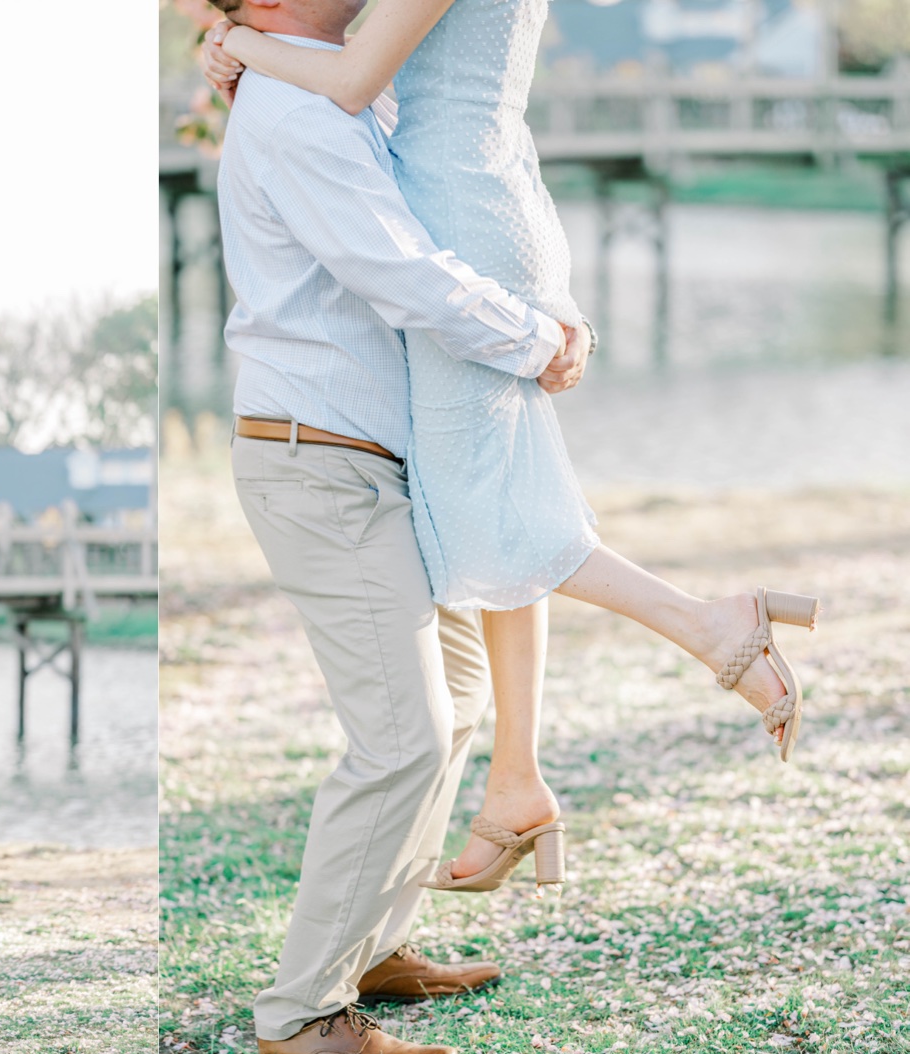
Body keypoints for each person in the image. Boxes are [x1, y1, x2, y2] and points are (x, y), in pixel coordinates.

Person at [201, 0, 818, 893]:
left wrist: (243, 42)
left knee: (488, 508)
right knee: (492, 497)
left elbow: (349, 77)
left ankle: (708, 625)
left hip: (459, 210)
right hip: (487, 192)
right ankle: (517, 780)